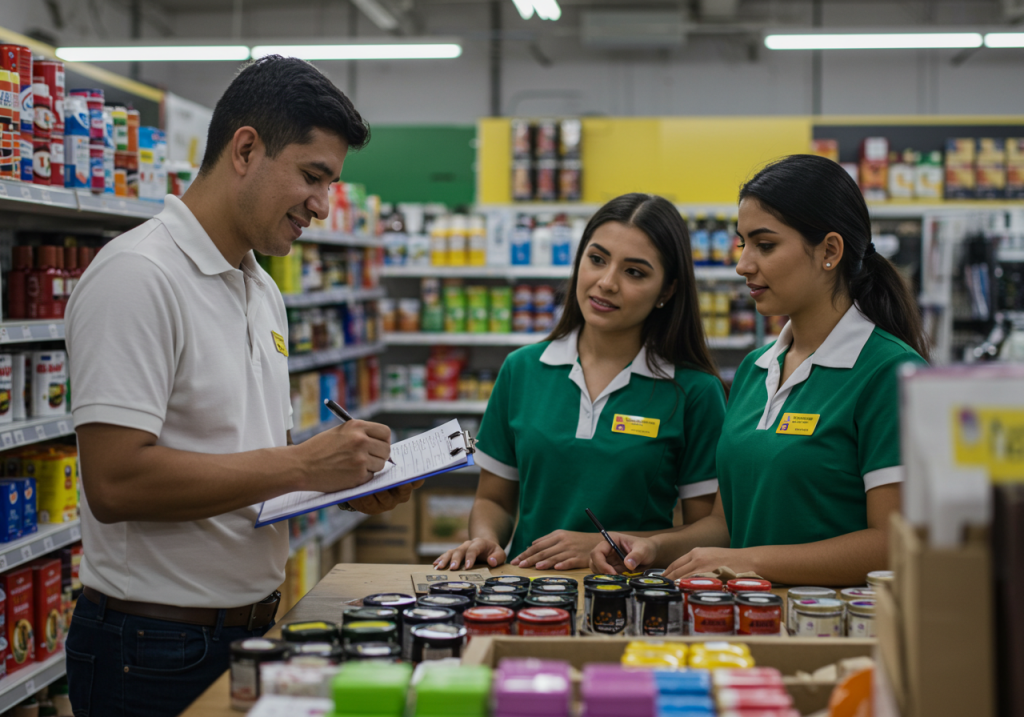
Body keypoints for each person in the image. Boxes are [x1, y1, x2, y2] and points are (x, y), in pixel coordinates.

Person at [64, 56, 421, 717]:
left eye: (332, 184)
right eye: (313, 176)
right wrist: (302, 462)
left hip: (252, 627)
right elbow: (113, 483)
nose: (322, 203)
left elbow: (243, 457)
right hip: (151, 648)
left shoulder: (261, 288)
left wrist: (341, 475)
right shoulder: (138, 277)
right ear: (246, 149)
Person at [590, 155, 929, 586]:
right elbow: (728, 527)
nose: (743, 264)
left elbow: (892, 544)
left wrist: (753, 562)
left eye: (764, 245)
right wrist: (651, 546)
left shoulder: (890, 373)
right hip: (749, 621)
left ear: (829, 251)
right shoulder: (756, 369)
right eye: (742, 243)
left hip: (836, 630)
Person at [435, 193, 727, 572]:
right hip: (527, 591)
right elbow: (495, 500)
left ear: (667, 291)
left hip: (631, 595)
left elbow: (710, 530)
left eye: (634, 272)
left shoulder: (694, 390)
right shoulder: (521, 370)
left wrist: (617, 544)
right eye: (597, 259)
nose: (606, 282)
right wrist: (486, 539)